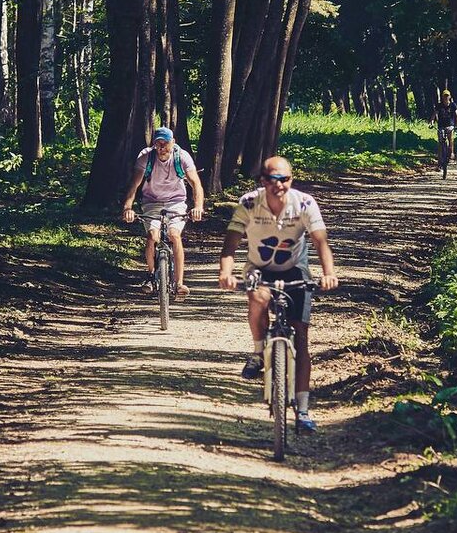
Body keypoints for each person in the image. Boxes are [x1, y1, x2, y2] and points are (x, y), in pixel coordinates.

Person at [218, 156, 339, 433]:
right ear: (263, 181)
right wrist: (226, 273)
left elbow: (321, 241)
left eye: (285, 179)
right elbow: (230, 246)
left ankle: (304, 410)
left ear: (291, 180)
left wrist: (328, 273)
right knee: (258, 297)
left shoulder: (305, 203)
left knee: (302, 335)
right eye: (273, 180)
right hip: (259, 267)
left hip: (294, 267)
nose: (279, 185)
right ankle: (259, 352)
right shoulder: (249, 203)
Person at [122, 127, 205, 297]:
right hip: (151, 201)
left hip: (176, 202)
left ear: (172, 142)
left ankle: (179, 283)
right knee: (153, 236)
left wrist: (198, 207)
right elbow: (134, 184)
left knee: (174, 235)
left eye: (165, 143)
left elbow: (196, 184)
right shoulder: (146, 156)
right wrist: (127, 208)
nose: (161, 148)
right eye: (158, 144)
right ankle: (151, 276)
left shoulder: (181, 157)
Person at [434, 89, 457, 163]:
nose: (446, 97)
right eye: (444, 96)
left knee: (450, 138)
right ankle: (440, 162)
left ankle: (451, 152)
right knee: (440, 142)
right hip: (441, 126)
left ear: (449, 96)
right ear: (442, 97)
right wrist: (431, 122)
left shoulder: (453, 105)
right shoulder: (439, 105)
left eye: (447, 95)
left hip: (450, 125)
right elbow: (434, 114)